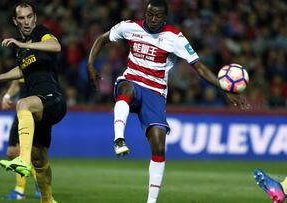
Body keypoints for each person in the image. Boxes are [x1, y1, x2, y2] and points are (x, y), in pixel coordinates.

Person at [87, 0, 249, 203]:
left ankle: (151, 201)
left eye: (158, 16)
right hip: (132, 81)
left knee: (159, 145)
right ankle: (119, 139)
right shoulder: (129, 27)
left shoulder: (175, 38)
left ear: (165, 17)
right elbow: (102, 39)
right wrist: (90, 64)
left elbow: (199, 67)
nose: (153, 19)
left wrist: (224, 88)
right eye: (150, 15)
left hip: (155, 93)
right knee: (126, 89)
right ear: (145, 13)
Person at [0, 2, 66, 203]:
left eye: (29, 16)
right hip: (41, 109)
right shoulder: (21, 50)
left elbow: (56, 46)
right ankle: (48, 200)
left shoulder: (42, 33)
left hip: (53, 99)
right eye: (22, 18)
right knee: (40, 158)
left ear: (35, 17)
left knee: (23, 104)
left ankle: (22, 161)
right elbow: (22, 71)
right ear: (15, 21)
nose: (26, 21)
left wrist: (24, 44)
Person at [1, 79, 41, 200]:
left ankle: (19, 191)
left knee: (24, 153)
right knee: (12, 152)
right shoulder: (22, 64)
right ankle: (39, 184)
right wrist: (7, 96)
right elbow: (16, 83)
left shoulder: (38, 67)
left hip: (31, 113)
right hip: (20, 113)